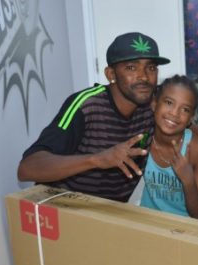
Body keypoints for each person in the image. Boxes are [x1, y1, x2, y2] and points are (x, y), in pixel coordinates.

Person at [17, 32, 170, 202]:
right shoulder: (86, 105)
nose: (144, 77)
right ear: (111, 74)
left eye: (151, 68)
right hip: (64, 206)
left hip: (110, 210)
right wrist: (97, 159)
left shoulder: (156, 104)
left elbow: (187, 115)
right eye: (131, 68)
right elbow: (27, 169)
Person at [140, 75, 198, 219]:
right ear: (154, 104)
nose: (174, 113)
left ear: (191, 117)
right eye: (169, 102)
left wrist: (188, 179)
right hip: (148, 221)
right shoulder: (142, 139)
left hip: (183, 226)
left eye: (185, 109)